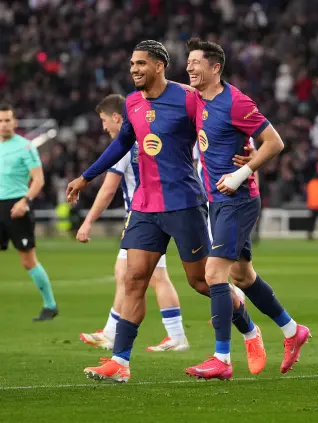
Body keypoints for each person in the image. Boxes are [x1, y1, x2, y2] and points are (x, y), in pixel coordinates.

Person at [66, 40, 258, 383]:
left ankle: (249, 327)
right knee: (133, 279)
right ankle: (120, 363)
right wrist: (85, 177)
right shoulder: (132, 102)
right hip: (144, 206)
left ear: (159, 65)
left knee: (201, 282)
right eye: (131, 64)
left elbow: (222, 122)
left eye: (141, 64)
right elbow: (121, 143)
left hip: (184, 203)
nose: (134, 70)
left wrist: (248, 154)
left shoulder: (188, 98)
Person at [184, 38, 310, 381]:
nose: (190, 67)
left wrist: (243, 171)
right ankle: (291, 331)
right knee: (243, 276)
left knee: (214, 274)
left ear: (215, 68)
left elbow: (276, 142)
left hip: (237, 200)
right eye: (188, 62)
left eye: (196, 62)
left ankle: (222, 358)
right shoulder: (197, 97)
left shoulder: (236, 102)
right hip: (217, 199)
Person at [77, 94, 188, 352]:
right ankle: (111, 332)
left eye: (105, 120)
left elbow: (107, 189)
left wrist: (88, 221)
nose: (104, 127)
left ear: (117, 117)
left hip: (143, 217)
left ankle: (177, 335)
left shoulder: (125, 144)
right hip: (147, 214)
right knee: (126, 274)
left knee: (157, 277)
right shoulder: (139, 139)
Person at [0, 103, 58, 321]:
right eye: (0, 121)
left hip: (16, 205)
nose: (3, 125)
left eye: (7, 120)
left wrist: (25, 201)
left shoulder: (25, 147)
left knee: (27, 260)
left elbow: (39, 179)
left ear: (15, 123)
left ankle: (50, 305)